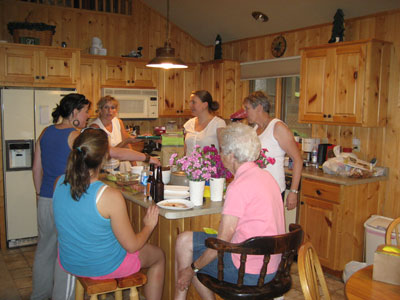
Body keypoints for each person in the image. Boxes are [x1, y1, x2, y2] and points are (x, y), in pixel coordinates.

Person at [31, 93, 159, 300]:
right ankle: (63, 296)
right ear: (74, 112)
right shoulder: (76, 136)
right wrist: (146, 157)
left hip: (51, 196)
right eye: (85, 111)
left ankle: (38, 295)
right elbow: (114, 153)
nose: (87, 116)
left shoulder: (45, 132)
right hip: (75, 195)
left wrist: (40, 194)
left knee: (44, 250)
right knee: (68, 251)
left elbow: (36, 168)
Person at [174, 123, 285, 299]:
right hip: (271, 266)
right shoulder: (267, 177)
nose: (220, 155)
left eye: (222, 151)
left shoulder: (238, 187)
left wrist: (192, 268)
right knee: (184, 240)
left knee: (188, 258)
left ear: (231, 155)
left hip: (247, 271)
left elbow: (222, 241)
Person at [53, 128, 165, 300]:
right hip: (103, 266)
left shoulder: (59, 182)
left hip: (70, 261)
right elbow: (132, 246)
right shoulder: (108, 195)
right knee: (158, 256)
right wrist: (148, 226)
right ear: (105, 156)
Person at [243, 91, 302, 210]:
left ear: (259, 108)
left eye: (247, 109)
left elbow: (298, 160)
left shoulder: (278, 127)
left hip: (273, 190)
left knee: (271, 227)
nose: (245, 113)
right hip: (256, 190)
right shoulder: (255, 129)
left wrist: (293, 192)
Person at [90, 95, 139, 172]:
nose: (110, 111)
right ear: (100, 110)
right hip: (100, 170)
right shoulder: (95, 127)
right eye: (106, 107)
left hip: (116, 167)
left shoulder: (118, 122)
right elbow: (107, 154)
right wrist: (127, 141)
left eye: (113, 108)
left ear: (116, 111)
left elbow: (127, 146)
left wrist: (135, 167)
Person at [183, 90, 226, 154]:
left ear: (205, 105)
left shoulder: (218, 124)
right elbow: (185, 151)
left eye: (193, 102)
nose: (190, 105)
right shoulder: (189, 124)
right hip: (189, 164)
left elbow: (224, 151)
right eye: (190, 102)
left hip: (210, 164)